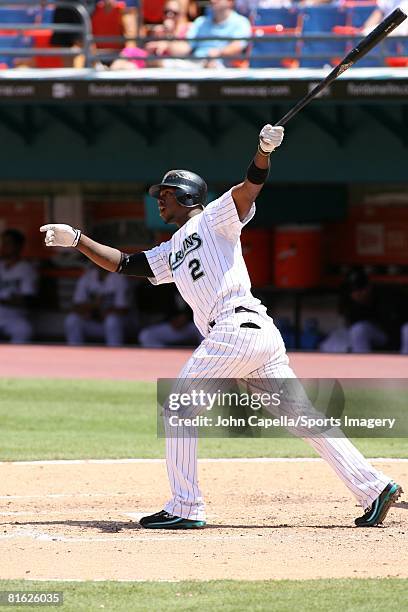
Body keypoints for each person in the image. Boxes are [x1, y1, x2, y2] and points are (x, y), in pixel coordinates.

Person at [40, 125, 402, 529]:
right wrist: (78, 239)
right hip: (252, 334)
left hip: (235, 327)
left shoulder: (214, 218)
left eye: (167, 193)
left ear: (190, 196)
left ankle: (185, 506)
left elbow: (250, 187)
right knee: (303, 417)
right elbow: (125, 264)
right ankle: (375, 487)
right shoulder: (171, 248)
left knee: (178, 405)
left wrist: (263, 152)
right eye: (159, 194)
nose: (160, 199)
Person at [319, 268, 388, 353]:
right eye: (353, 290)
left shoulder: (382, 297)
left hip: (382, 334)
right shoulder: (349, 300)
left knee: (359, 330)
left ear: (368, 287)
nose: (356, 294)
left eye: (359, 289)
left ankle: (363, 363)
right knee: (328, 344)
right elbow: (349, 323)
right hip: (355, 333)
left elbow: (389, 328)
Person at [64, 267, 130, 346]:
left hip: (118, 325)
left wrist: (104, 312)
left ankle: (115, 353)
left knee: (112, 320)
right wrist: (93, 307)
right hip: (94, 322)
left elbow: (123, 310)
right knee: (72, 319)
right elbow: (76, 306)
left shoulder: (119, 278)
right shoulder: (88, 276)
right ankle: (75, 353)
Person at [177, 0, 252, 68]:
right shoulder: (200, 22)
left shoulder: (241, 22)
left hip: (224, 68)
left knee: (212, 65)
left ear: (230, 2)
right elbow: (186, 47)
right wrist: (168, 43)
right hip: (196, 64)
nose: (212, 1)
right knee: (168, 63)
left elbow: (237, 46)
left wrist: (218, 53)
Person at [0, 229, 38, 344]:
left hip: (14, 317)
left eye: (8, 243)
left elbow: (27, 300)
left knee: (23, 330)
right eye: (3, 243)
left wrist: (5, 300)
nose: (4, 246)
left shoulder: (26, 269)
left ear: (18, 246)